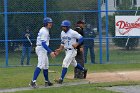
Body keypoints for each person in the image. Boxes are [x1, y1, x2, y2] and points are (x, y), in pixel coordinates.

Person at [54, 20, 87, 84]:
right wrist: (59, 49)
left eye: (64, 27)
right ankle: (84, 70)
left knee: (65, 63)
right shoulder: (62, 33)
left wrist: (77, 44)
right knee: (74, 64)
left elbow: (81, 38)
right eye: (62, 26)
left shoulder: (72, 32)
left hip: (72, 50)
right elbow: (63, 42)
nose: (63, 28)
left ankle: (61, 79)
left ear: (68, 27)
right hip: (66, 50)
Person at [29, 17, 56, 88]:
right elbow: (43, 44)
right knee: (40, 64)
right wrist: (50, 52)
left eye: (51, 23)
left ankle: (47, 81)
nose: (50, 24)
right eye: (49, 23)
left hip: (42, 48)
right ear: (45, 23)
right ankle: (33, 82)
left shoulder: (45, 30)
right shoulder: (44, 31)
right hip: (41, 48)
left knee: (46, 65)